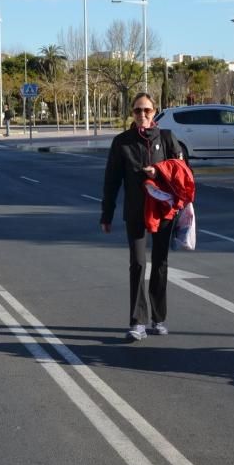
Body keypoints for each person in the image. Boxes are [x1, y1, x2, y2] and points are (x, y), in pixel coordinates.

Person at [101, 92, 185, 341]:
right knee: (137, 264)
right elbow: (112, 180)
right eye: (137, 111)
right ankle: (138, 321)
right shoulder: (122, 142)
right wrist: (107, 214)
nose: (142, 115)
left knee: (160, 264)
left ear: (154, 112)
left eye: (147, 110)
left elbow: (182, 172)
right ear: (132, 113)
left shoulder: (168, 138)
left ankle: (159, 318)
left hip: (163, 212)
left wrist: (158, 172)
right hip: (136, 211)